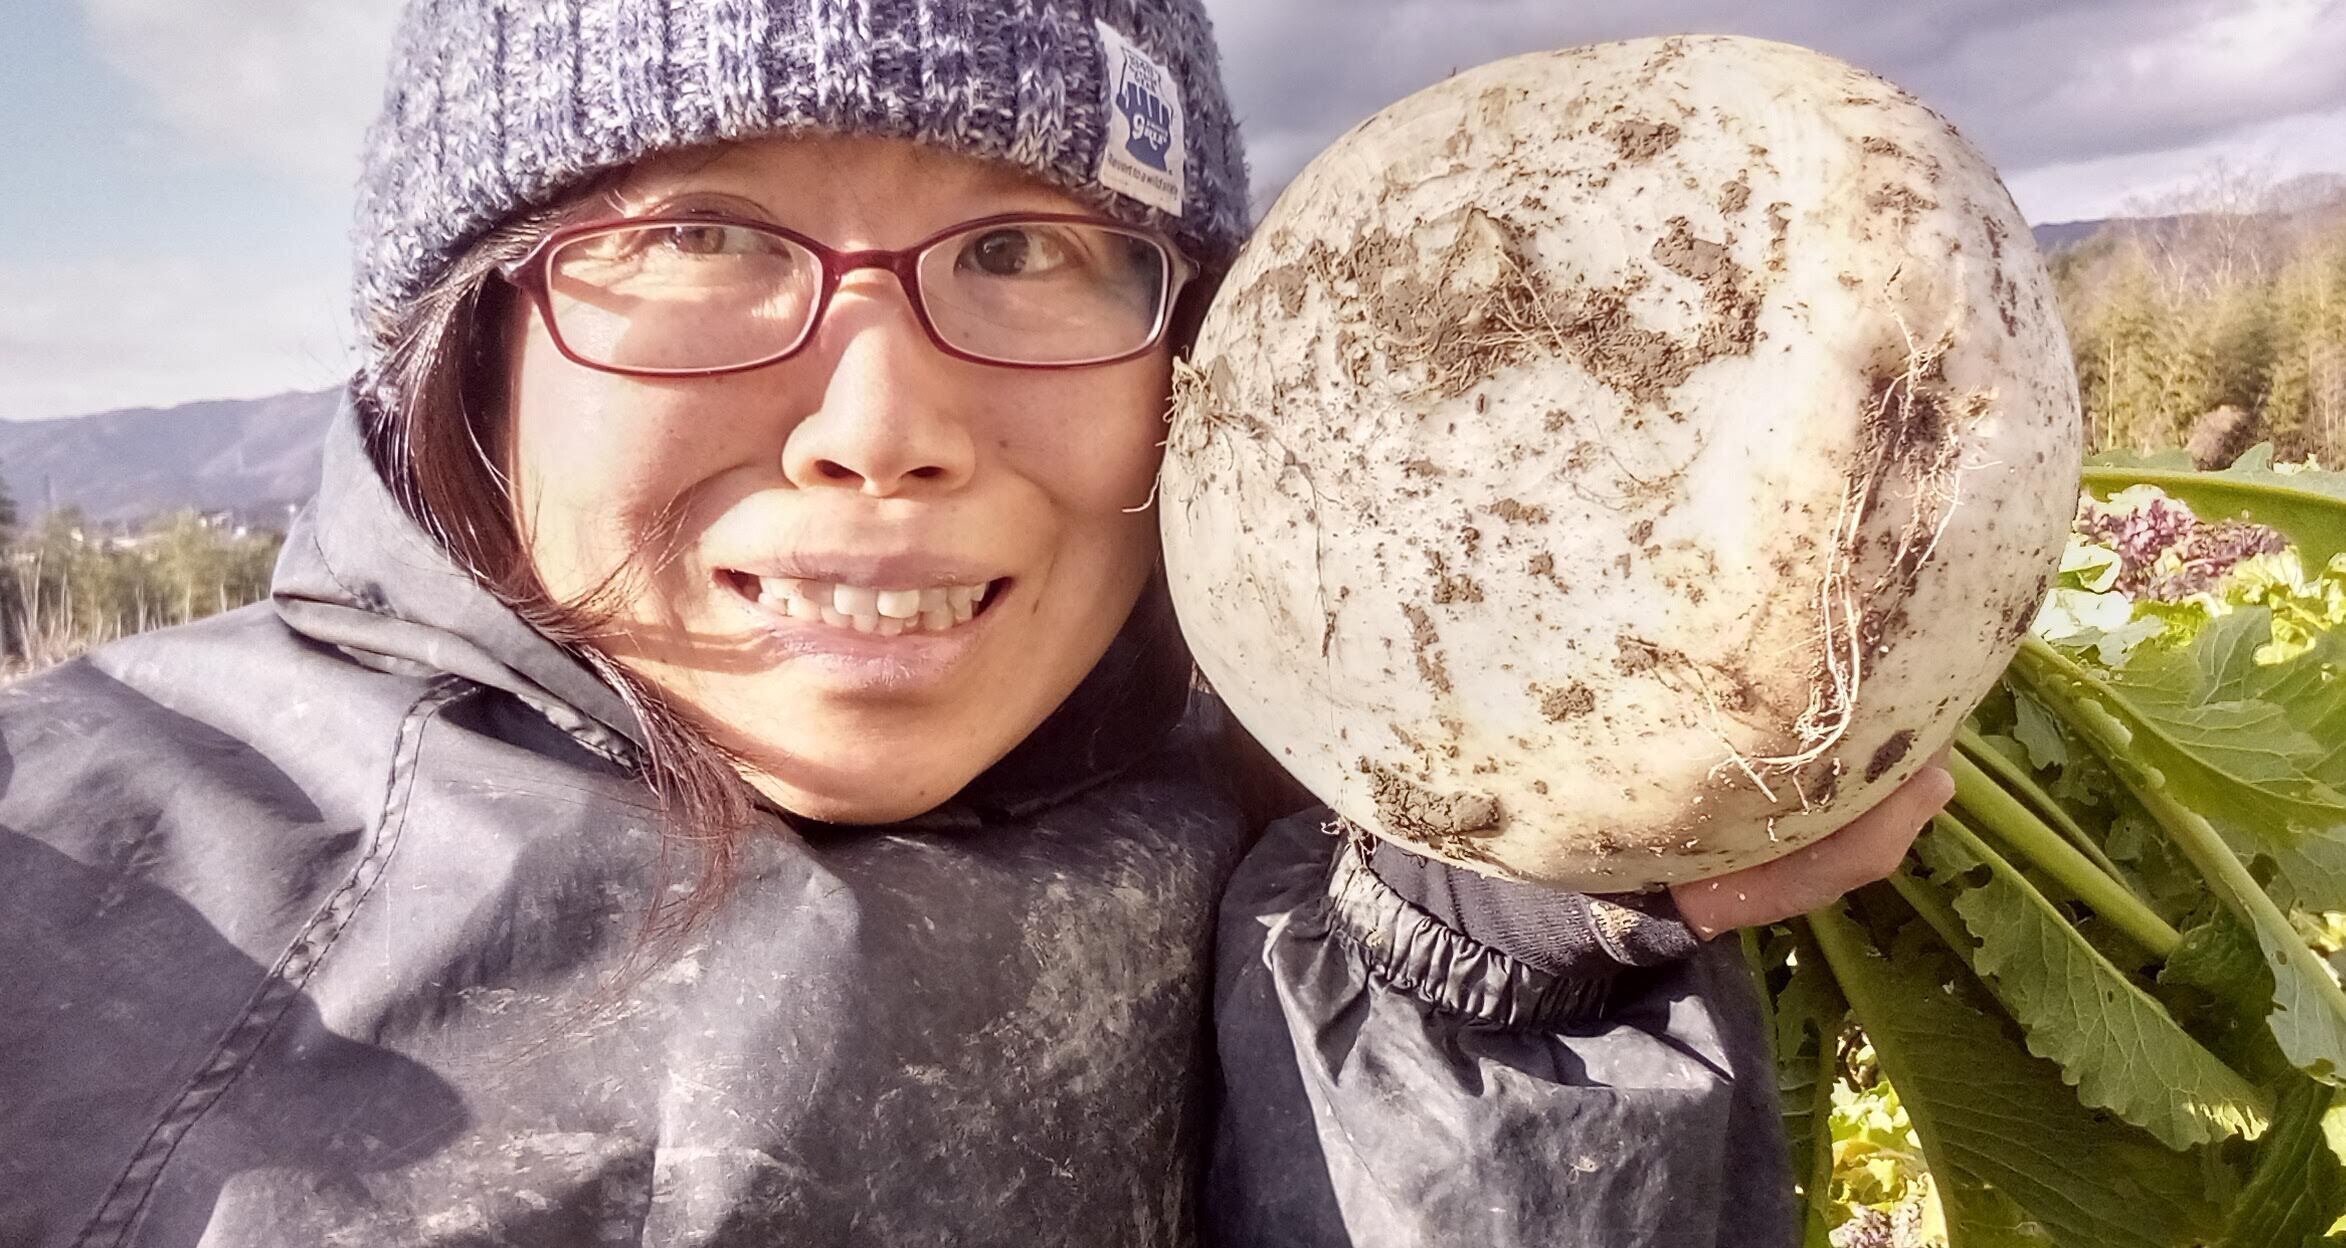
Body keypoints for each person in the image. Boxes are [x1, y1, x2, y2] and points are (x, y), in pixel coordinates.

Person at [0, 2, 1951, 1245]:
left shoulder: (1350, 855)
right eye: (699, 232)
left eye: (1026, 248)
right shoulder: (80, 885)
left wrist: (1480, 1000)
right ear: (478, 339)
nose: (879, 428)